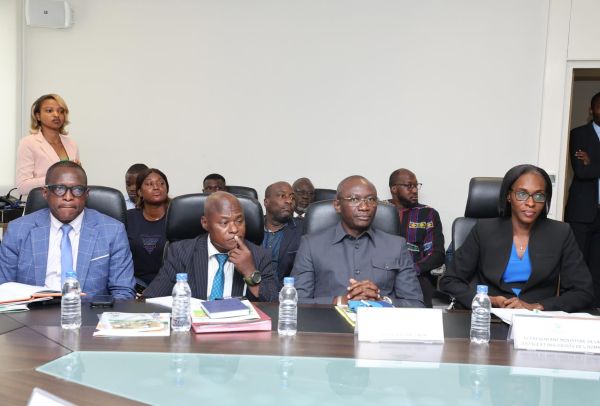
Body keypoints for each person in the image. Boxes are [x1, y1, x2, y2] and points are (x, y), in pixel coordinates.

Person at [441, 164, 593, 312]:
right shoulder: (484, 230)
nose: (530, 203)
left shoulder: (560, 233)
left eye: (539, 196)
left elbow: (583, 291)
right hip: (489, 317)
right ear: (509, 196)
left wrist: (537, 307)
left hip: (537, 320)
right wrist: (488, 300)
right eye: (522, 194)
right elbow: (449, 280)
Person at [0, 161, 135, 300]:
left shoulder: (113, 231)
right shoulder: (17, 230)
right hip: (32, 311)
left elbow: (123, 293)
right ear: (45, 193)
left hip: (89, 311)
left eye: (77, 190)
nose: (68, 197)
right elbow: (4, 289)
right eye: (59, 189)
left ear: (86, 194)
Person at [291, 175, 424, 307]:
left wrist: (382, 301)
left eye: (371, 199)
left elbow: (416, 304)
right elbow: (296, 302)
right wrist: (340, 301)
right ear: (337, 205)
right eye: (354, 199)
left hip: (380, 320)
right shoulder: (311, 245)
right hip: (329, 320)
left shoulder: (396, 246)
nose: (364, 207)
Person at [143, 191, 279, 301]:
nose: (234, 229)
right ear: (205, 223)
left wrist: (250, 273)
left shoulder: (259, 256)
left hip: (237, 327)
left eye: (239, 221)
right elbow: (152, 299)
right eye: (224, 223)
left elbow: (274, 303)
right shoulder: (181, 252)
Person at [388, 168, 445, 307]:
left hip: (417, 276)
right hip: (382, 274)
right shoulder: (379, 211)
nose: (414, 190)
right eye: (409, 186)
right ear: (394, 189)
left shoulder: (428, 213)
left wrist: (410, 271)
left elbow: (436, 254)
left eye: (416, 186)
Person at [565, 91, 600, 307]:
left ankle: (595, 309)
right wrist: (589, 165)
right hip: (582, 211)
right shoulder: (578, 134)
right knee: (577, 263)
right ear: (591, 110)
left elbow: (590, 168)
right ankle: (572, 306)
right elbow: (582, 172)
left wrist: (593, 161)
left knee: (598, 266)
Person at [16, 94, 80, 195]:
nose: (56, 115)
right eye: (49, 110)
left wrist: (78, 173)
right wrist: (56, 177)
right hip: (42, 202)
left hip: (69, 201)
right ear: (38, 116)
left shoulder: (72, 144)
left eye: (61, 111)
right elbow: (22, 187)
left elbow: (76, 182)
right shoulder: (28, 143)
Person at [126, 168, 170, 288]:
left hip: (170, 285)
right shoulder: (128, 218)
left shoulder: (178, 217)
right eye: (149, 184)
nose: (156, 187)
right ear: (139, 192)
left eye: (161, 183)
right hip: (134, 286)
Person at [262, 181, 303, 283]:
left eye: (292, 198)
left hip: (286, 290)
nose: (289, 201)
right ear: (266, 202)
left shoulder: (303, 230)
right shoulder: (251, 227)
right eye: (282, 196)